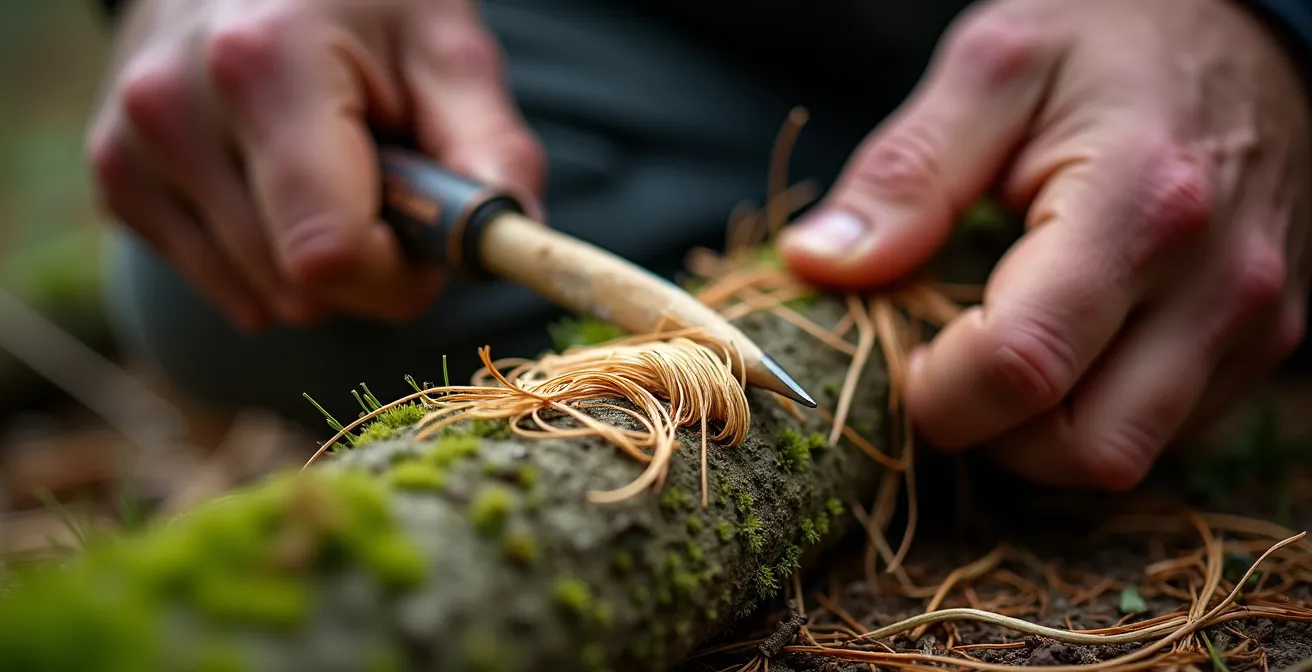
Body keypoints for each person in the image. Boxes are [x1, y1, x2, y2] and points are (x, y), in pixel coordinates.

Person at [87, 0, 1312, 492]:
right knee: (242, 253)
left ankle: (1098, 200)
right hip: (679, 41)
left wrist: (1263, 33)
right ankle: (1000, 232)